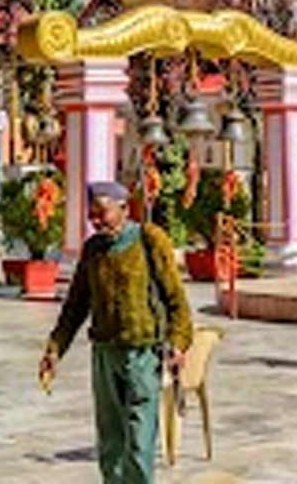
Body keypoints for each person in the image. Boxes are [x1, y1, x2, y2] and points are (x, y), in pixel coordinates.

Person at [39, 181, 193, 484]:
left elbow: (177, 300)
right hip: (104, 355)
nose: (96, 221)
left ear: (124, 209)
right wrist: (55, 348)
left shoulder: (149, 240)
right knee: (110, 443)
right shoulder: (93, 249)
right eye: (91, 215)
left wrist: (177, 342)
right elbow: (76, 305)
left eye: (102, 213)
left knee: (138, 443)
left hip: (143, 354)